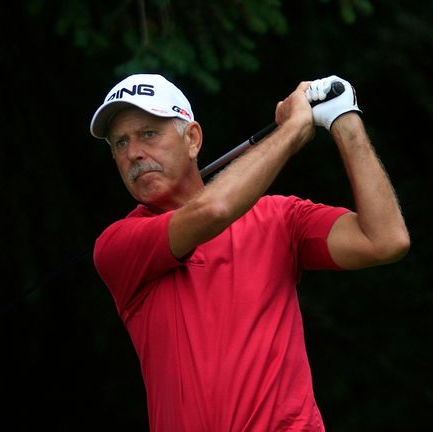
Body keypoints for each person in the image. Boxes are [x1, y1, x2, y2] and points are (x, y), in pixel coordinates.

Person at [88, 73, 410, 431]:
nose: (133, 153)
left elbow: (385, 239)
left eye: (149, 133)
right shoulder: (118, 245)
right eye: (120, 143)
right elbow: (213, 211)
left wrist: (343, 120)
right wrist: (293, 131)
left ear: (192, 139)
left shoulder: (280, 218)